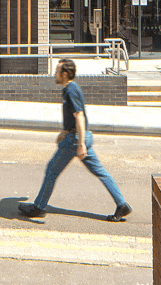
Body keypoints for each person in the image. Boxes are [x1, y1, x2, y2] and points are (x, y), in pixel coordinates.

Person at [18, 58, 132, 222]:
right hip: (76, 136)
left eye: (57, 71)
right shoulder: (69, 89)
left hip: (75, 140)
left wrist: (80, 144)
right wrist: (64, 131)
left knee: (52, 170)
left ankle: (39, 207)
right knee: (100, 172)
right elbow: (74, 117)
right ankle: (122, 204)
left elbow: (79, 116)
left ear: (64, 74)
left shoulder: (71, 90)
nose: (54, 74)